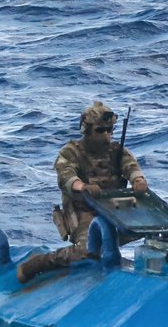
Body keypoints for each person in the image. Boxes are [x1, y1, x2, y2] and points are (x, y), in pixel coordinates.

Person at [17, 101, 148, 283]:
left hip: (115, 210)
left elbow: (131, 166)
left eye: (109, 131)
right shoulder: (71, 152)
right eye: (100, 131)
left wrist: (138, 180)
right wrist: (83, 187)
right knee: (86, 250)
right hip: (84, 211)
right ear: (87, 130)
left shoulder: (117, 151)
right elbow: (66, 176)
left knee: (157, 230)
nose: (106, 136)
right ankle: (40, 263)